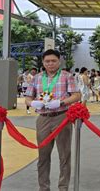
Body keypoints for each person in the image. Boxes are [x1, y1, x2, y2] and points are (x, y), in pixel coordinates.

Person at [25, 49, 81, 191]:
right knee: (43, 156)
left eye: (53, 61)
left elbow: (76, 95)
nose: (50, 64)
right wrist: (32, 103)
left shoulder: (67, 76)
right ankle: (44, 187)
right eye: (47, 61)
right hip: (43, 118)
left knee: (64, 156)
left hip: (61, 117)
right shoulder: (37, 78)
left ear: (59, 61)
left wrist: (61, 103)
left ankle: (63, 187)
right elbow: (27, 97)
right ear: (43, 62)